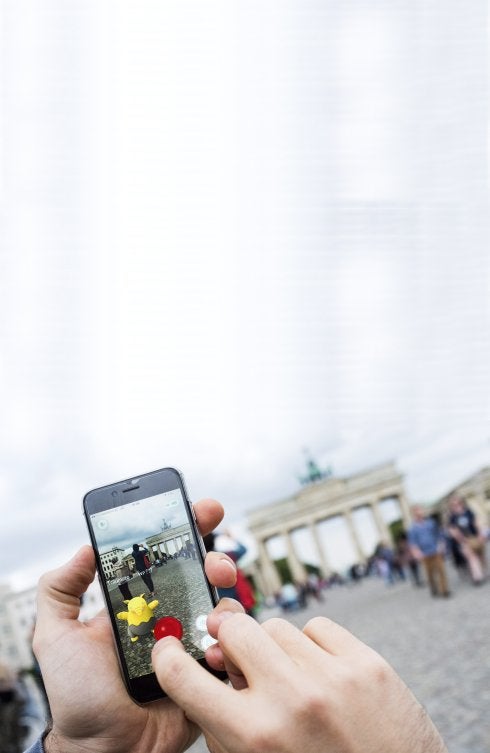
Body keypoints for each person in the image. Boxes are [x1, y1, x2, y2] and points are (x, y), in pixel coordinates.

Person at [25, 496, 448, 753]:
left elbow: (239, 551)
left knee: (231, 633)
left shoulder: (209, 553)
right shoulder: (190, 553)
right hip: (224, 609)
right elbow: (241, 550)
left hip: (228, 606)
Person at [408, 506, 450, 597]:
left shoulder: (431, 523)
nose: (419, 514)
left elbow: (438, 535)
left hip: (435, 550)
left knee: (441, 571)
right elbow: (413, 543)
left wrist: (441, 545)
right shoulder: (412, 529)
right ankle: (434, 589)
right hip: (424, 554)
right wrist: (417, 553)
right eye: (416, 512)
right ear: (414, 515)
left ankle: (444, 590)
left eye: (420, 511)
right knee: (430, 574)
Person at [447, 495, 486, 585]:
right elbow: (453, 531)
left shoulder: (468, 512)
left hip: (475, 537)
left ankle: (482, 572)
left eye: (458, 503)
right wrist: (462, 539)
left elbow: (476, 523)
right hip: (464, 541)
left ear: (461, 503)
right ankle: (477, 577)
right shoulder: (452, 517)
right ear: (451, 506)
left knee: (481, 556)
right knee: (472, 558)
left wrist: (480, 534)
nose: (456, 506)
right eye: (453, 504)